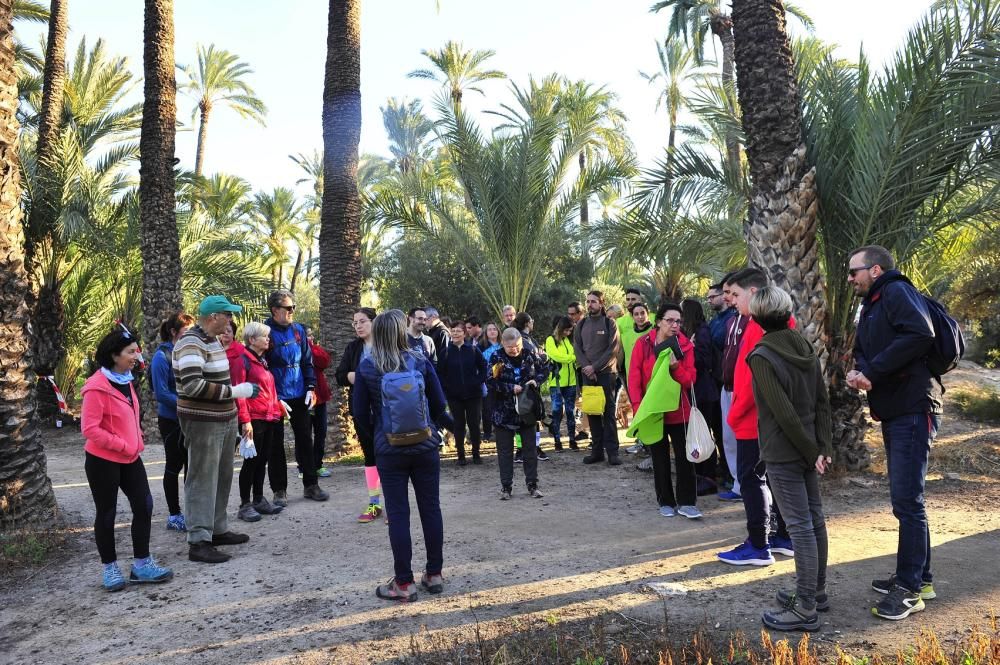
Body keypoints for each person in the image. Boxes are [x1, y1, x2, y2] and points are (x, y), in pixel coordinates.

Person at [847, 245, 941, 621]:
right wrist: (860, 370)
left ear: (874, 269)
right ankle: (921, 577)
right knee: (907, 500)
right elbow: (865, 349)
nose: (850, 277)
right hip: (897, 409)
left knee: (907, 501)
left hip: (914, 410)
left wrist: (875, 370)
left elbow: (921, 333)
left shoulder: (897, 290)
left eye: (854, 271)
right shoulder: (873, 302)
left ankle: (910, 589)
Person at [747, 286, 832, 632]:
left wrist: (812, 452)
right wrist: (821, 448)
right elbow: (822, 402)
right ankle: (817, 591)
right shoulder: (804, 346)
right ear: (787, 311)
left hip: (784, 453)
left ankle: (806, 607)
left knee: (799, 526)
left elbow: (783, 414)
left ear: (756, 317)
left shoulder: (762, 355)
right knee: (814, 519)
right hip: (809, 446)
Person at [353, 309, 453, 602]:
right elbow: (438, 404)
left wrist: (378, 436)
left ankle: (404, 583)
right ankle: (434, 574)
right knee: (431, 509)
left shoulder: (368, 366)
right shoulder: (419, 360)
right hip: (425, 447)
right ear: (401, 331)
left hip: (390, 450)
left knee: (398, 515)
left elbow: (359, 413)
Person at [82, 329, 174, 591]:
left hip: (130, 458)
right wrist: (122, 443)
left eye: (137, 350)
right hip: (103, 461)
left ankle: (142, 564)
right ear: (114, 355)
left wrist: (136, 435)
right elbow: (90, 429)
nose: (137, 356)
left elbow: (126, 416)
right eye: (131, 352)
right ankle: (109, 568)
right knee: (107, 512)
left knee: (144, 505)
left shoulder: (126, 379)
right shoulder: (96, 387)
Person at [717, 269, 793, 566]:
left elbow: (751, 379)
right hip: (763, 418)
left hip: (754, 419)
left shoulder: (758, 327)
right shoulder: (768, 324)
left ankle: (759, 544)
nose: (731, 301)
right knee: (769, 478)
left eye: (735, 295)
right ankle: (783, 537)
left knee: (752, 478)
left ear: (753, 292)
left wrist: (735, 414)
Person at [173, 295, 257, 564]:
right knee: (202, 478)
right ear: (213, 317)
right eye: (227, 315)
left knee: (221, 477)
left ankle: (217, 529)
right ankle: (198, 540)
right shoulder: (190, 342)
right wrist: (235, 391)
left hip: (222, 419)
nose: (231, 320)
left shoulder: (211, 340)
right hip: (203, 422)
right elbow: (192, 386)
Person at [628, 303, 702, 519]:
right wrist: (637, 406)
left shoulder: (686, 346)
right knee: (659, 459)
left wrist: (675, 367)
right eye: (670, 320)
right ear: (658, 321)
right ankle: (665, 501)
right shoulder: (643, 344)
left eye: (678, 321)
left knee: (685, 459)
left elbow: (690, 380)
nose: (675, 325)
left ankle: (687, 502)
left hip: (679, 412)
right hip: (653, 412)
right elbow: (634, 377)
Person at [263, 289, 328, 504]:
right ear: (275, 310)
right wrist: (272, 395)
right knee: (275, 444)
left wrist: (311, 386)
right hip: (275, 396)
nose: (292, 311)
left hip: (299, 393)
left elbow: (307, 362)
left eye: (294, 308)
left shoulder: (299, 330)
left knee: (304, 440)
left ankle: (311, 485)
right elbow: (261, 366)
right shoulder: (264, 332)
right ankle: (279, 490)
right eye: (288, 308)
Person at [229, 322, 285, 522]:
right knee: (250, 462)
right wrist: (245, 421)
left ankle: (259, 499)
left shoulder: (262, 361)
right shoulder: (241, 361)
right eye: (264, 336)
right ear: (252, 340)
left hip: (269, 417)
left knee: (262, 460)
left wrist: (277, 406)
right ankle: (245, 504)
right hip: (253, 419)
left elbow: (268, 388)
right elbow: (239, 393)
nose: (268, 339)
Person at [336, 307, 384, 523]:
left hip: (387, 408)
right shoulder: (353, 348)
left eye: (362, 321)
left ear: (374, 322)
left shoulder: (386, 345)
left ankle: (394, 505)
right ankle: (375, 504)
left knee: (389, 455)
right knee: (370, 455)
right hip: (362, 410)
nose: (358, 326)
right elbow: (339, 375)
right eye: (355, 323)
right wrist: (356, 376)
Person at [489, 328, 548, 499]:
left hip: (526, 410)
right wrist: (509, 388)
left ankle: (533, 485)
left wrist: (536, 381)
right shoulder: (496, 358)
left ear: (521, 343)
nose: (514, 350)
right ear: (503, 345)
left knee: (530, 449)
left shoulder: (529, 354)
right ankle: (506, 487)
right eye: (509, 347)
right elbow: (490, 380)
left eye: (516, 346)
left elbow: (544, 369)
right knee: (505, 452)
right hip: (503, 412)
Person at [150, 311, 195, 533]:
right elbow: (161, 393)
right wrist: (186, 403)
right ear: (173, 332)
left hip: (191, 418)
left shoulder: (190, 353)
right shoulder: (161, 357)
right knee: (173, 465)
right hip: (171, 420)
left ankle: (193, 511)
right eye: (185, 332)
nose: (190, 336)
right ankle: (174, 514)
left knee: (192, 465)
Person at [573, 290, 622, 466]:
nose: (590, 304)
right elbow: (577, 348)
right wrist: (587, 368)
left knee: (608, 412)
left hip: (606, 374)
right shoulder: (582, 324)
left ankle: (613, 452)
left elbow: (613, 349)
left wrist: (594, 367)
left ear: (601, 303)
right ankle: (597, 452)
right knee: (592, 411)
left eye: (593, 301)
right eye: (588, 301)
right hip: (588, 375)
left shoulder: (610, 323)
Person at [683, 298, 722, 495]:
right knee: (697, 433)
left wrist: (688, 349)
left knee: (704, 433)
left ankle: (708, 477)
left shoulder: (702, 331)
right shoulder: (692, 333)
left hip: (704, 390)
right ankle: (700, 474)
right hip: (696, 390)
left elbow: (703, 360)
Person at [438, 319, 488, 465]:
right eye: (453, 331)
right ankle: (460, 455)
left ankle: (476, 454)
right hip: (454, 396)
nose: (455, 334)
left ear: (464, 333)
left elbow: (484, 366)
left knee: (474, 424)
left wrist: (478, 381)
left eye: (458, 331)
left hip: (473, 394)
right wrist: (447, 387)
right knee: (458, 425)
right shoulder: (445, 352)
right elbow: (440, 373)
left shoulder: (472, 349)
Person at [718, 274, 745, 502]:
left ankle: (749, 485)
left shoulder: (750, 320)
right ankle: (738, 484)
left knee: (743, 439)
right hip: (726, 386)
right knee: (729, 438)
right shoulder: (730, 321)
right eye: (727, 293)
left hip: (741, 389)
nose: (728, 298)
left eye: (732, 293)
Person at [512, 312, 550, 461]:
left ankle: (531, 447)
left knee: (531, 417)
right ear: (528, 323)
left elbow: (541, 356)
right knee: (525, 416)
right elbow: (538, 357)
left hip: (532, 384)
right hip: (525, 386)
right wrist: (542, 357)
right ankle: (524, 449)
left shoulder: (529, 339)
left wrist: (542, 356)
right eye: (532, 320)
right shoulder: (522, 339)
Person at [621, 303, 654, 454]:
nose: (640, 317)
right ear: (632, 316)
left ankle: (652, 445)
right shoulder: (626, 335)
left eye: (642, 313)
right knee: (637, 409)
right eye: (636, 314)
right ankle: (641, 442)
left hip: (652, 380)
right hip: (633, 379)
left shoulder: (655, 332)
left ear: (648, 313)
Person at [545, 316, 578, 451]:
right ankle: (557, 441)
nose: (568, 333)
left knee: (571, 412)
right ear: (560, 328)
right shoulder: (550, 340)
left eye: (570, 331)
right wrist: (573, 358)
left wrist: (571, 358)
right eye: (566, 330)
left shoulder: (567, 341)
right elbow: (556, 356)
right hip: (557, 383)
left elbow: (571, 355)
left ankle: (572, 440)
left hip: (571, 382)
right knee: (557, 412)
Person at [310, 333, 333, 478]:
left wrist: (310, 348)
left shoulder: (315, 349)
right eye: (307, 336)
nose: (310, 338)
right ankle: (303, 467)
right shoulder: (294, 352)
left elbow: (324, 362)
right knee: (304, 435)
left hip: (320, 398)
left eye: (311, 335)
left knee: (321, 432)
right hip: (303, 399)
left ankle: (318, 465)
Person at [480, 322, 502, 441]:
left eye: (494, 329)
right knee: (487, 408)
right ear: (486, 333)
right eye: (489, 330)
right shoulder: (481, 346)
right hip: (487, 382)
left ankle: (501, 429)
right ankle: (487, 432)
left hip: (502, 381)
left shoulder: (503, 345)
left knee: (501, 405)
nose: (492, 331)